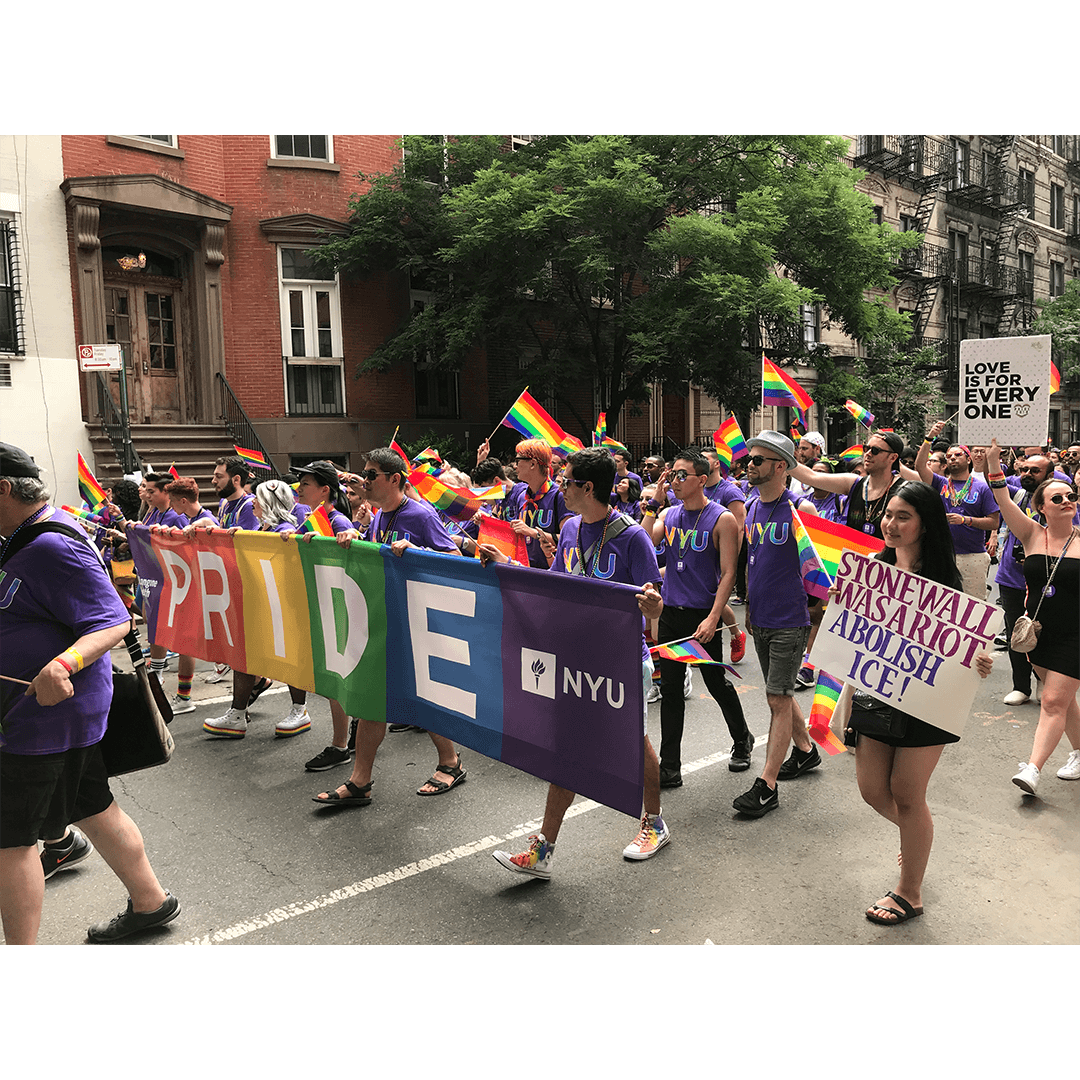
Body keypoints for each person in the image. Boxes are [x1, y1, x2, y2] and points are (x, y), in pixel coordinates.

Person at [0, 443, 179, 944]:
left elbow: (113, 619)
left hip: (46, 717)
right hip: (49, 715)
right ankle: (151, 902)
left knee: (9, 842)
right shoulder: (20, 536)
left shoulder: (52, 544)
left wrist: (62, 663)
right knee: (92, 805)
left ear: (4, 488)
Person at [486, 447, 668, 876]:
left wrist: (654, 608)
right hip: (575, 658)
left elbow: (655, 607)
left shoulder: (631, 537)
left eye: (566, 482)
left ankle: (654, 823)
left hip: (620, 661)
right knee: (567, 747)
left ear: (588, 487)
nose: (561, 488)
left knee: (633, 742)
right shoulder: (568, 528)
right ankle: (544, 848)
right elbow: (556, 584)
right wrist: (508, 564)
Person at [847, 481, 993, 925]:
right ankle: (917, 840)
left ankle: (910, 891)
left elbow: (969, 642)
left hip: (929, 701)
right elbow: (855, 636)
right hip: (877, 693)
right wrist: (841, 607)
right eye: (888, 514)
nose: (890, 524)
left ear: (925, 524)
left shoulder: (948, 579)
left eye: (903, 516)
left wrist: (980, 660)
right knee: (873, 791)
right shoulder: (871, 569)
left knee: (909, 795)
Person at [312, 447, 466, 806]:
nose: (363, 481)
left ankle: (450, 761)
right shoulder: (382, 515)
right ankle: (360, 781)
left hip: (417, 624)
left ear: (394, 479)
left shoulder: (420, 514)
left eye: (370, 475)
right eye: (364, 474)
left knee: (419, 698)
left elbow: (456, 560)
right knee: (371, 701)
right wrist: (356, 539)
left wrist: (414, 550)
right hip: (387, 619)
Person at [648, 449, 753, 785]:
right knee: (671, 690)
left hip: (701, 616)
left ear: (702, 480)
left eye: (682, 475)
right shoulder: (670, 513)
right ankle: (670, 766)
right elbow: (646, 539)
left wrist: (712, 618)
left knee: (716, 683)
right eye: (672, 474)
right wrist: (655, 501)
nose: (675, 481)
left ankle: (742, 741)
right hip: (671, 614)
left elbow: (728, 573)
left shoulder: (721, 518)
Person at [733, 431, 821, 817]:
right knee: (779, 692)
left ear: (780, 466)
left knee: (776, 698)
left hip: (791, 617)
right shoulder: (752, 507)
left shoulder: (803, 509)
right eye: (748, 459)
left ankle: (766, 786)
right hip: (762, 615)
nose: (748, 466)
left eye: (757, 460)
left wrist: (815, 609)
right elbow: (754, 562)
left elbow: (822, 570)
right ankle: (805, 751)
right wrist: (750, 607)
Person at [985, 441, 1080, 795]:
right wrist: (993, 460)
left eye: (1070, 495)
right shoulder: (1030, 534)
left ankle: (1034, 769)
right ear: (1041, 507)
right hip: (1039, 633)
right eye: (1057, 498)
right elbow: (1002, 499)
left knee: (1053, 701)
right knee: (1064, 699)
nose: (1066, 501)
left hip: (1076, 634)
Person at [202, 479, 308, 739]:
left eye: (258, 498)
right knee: (244, 656)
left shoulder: (285, 529)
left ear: (270, 503)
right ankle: (237, 714)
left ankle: (300, 710)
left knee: (289, 657)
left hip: (281, 606)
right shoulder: (264, 527)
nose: (253, 502)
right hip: (259, 603)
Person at [915, 424, 999, 598]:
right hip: (941, 554)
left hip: (972, 556)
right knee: (939, 603)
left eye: (957, 455)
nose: (952, 458)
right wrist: (929, 437)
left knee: (973, 605)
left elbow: (994, 521)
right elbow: (920, 466)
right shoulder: (940, 483)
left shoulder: (982, 488)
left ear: (968, 459)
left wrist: (966, 520)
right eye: (949, 456)